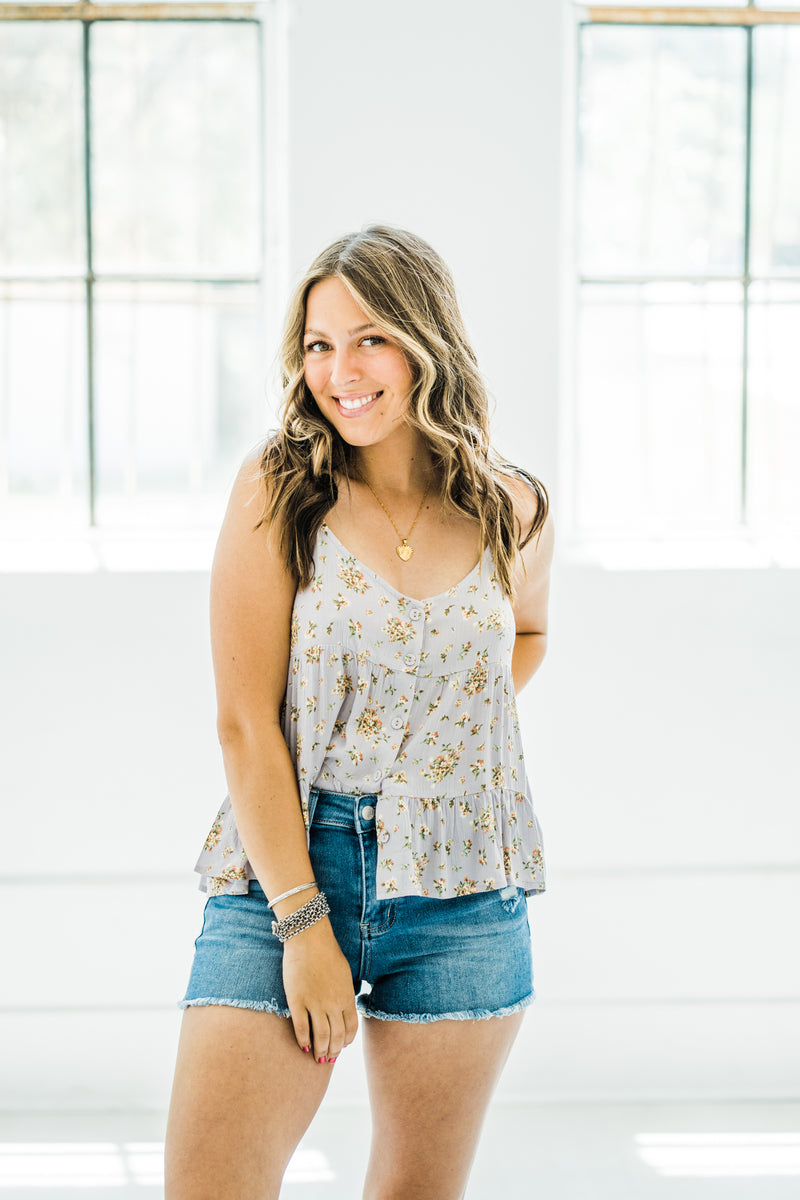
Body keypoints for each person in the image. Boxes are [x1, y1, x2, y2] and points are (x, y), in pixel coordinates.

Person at [164, 224, 554, 1200]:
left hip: (463, 884)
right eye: (316, 344)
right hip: (291, 866)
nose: (339, 369)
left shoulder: (512, 506)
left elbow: (526, 635)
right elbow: (244, 724)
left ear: (426, 340)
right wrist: (303, 930)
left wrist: (429, 743)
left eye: (368, 337)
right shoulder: (279, 492)